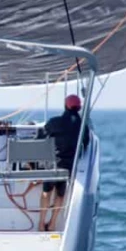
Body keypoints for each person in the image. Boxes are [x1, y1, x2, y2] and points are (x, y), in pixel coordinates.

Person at [38, 94, 90, 231]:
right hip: (68, 167)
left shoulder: (55, 122)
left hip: (53, 165)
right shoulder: (82, 126)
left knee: (46, 192)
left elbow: (40, 137)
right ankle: (53, 223)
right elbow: (85, 144)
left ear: (65, 105)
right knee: (60, 193)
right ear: (79, 108)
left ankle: (41, 223)